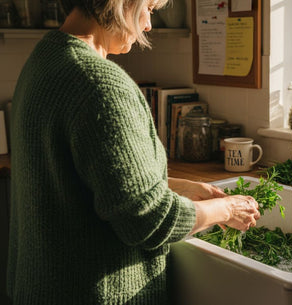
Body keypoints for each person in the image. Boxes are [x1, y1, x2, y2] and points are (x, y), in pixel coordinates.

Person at [7, 0, 260, 304]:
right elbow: (149, 222)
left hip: (43, 286)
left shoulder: (44, 60)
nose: (148, 25)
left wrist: (180, 187)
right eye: (150, 8)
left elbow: (87, 182)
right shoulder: (100, 84)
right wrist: (227, 210)